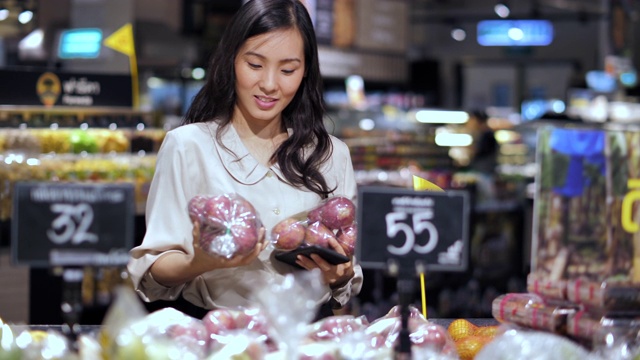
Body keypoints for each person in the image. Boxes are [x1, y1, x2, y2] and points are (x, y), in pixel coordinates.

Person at [127, 0, 363, 319]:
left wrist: (340, 274)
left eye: (288, 70)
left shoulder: (331, 155)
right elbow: (152, 271)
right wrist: (201, 261)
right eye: (254, 65)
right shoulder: (188, 146)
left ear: (306, 70)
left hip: (305, 336)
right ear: (231, 60)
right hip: (220, 335)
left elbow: (346, 275)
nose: (269, 84)